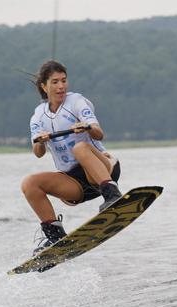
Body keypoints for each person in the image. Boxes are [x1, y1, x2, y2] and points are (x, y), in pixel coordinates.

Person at [20, 60, 122, 253]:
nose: (61, 87)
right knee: (29, 183)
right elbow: (38, 153)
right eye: (55, 82)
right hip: (75, 183)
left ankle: (112, 195)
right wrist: (40, 141)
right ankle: (55, 236)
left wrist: (87, 127)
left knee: (80, 147)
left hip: (101, 170)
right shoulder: (38, 116)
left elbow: (99, 134)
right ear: (44, 86)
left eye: (64, 81)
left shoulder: (76, 102)